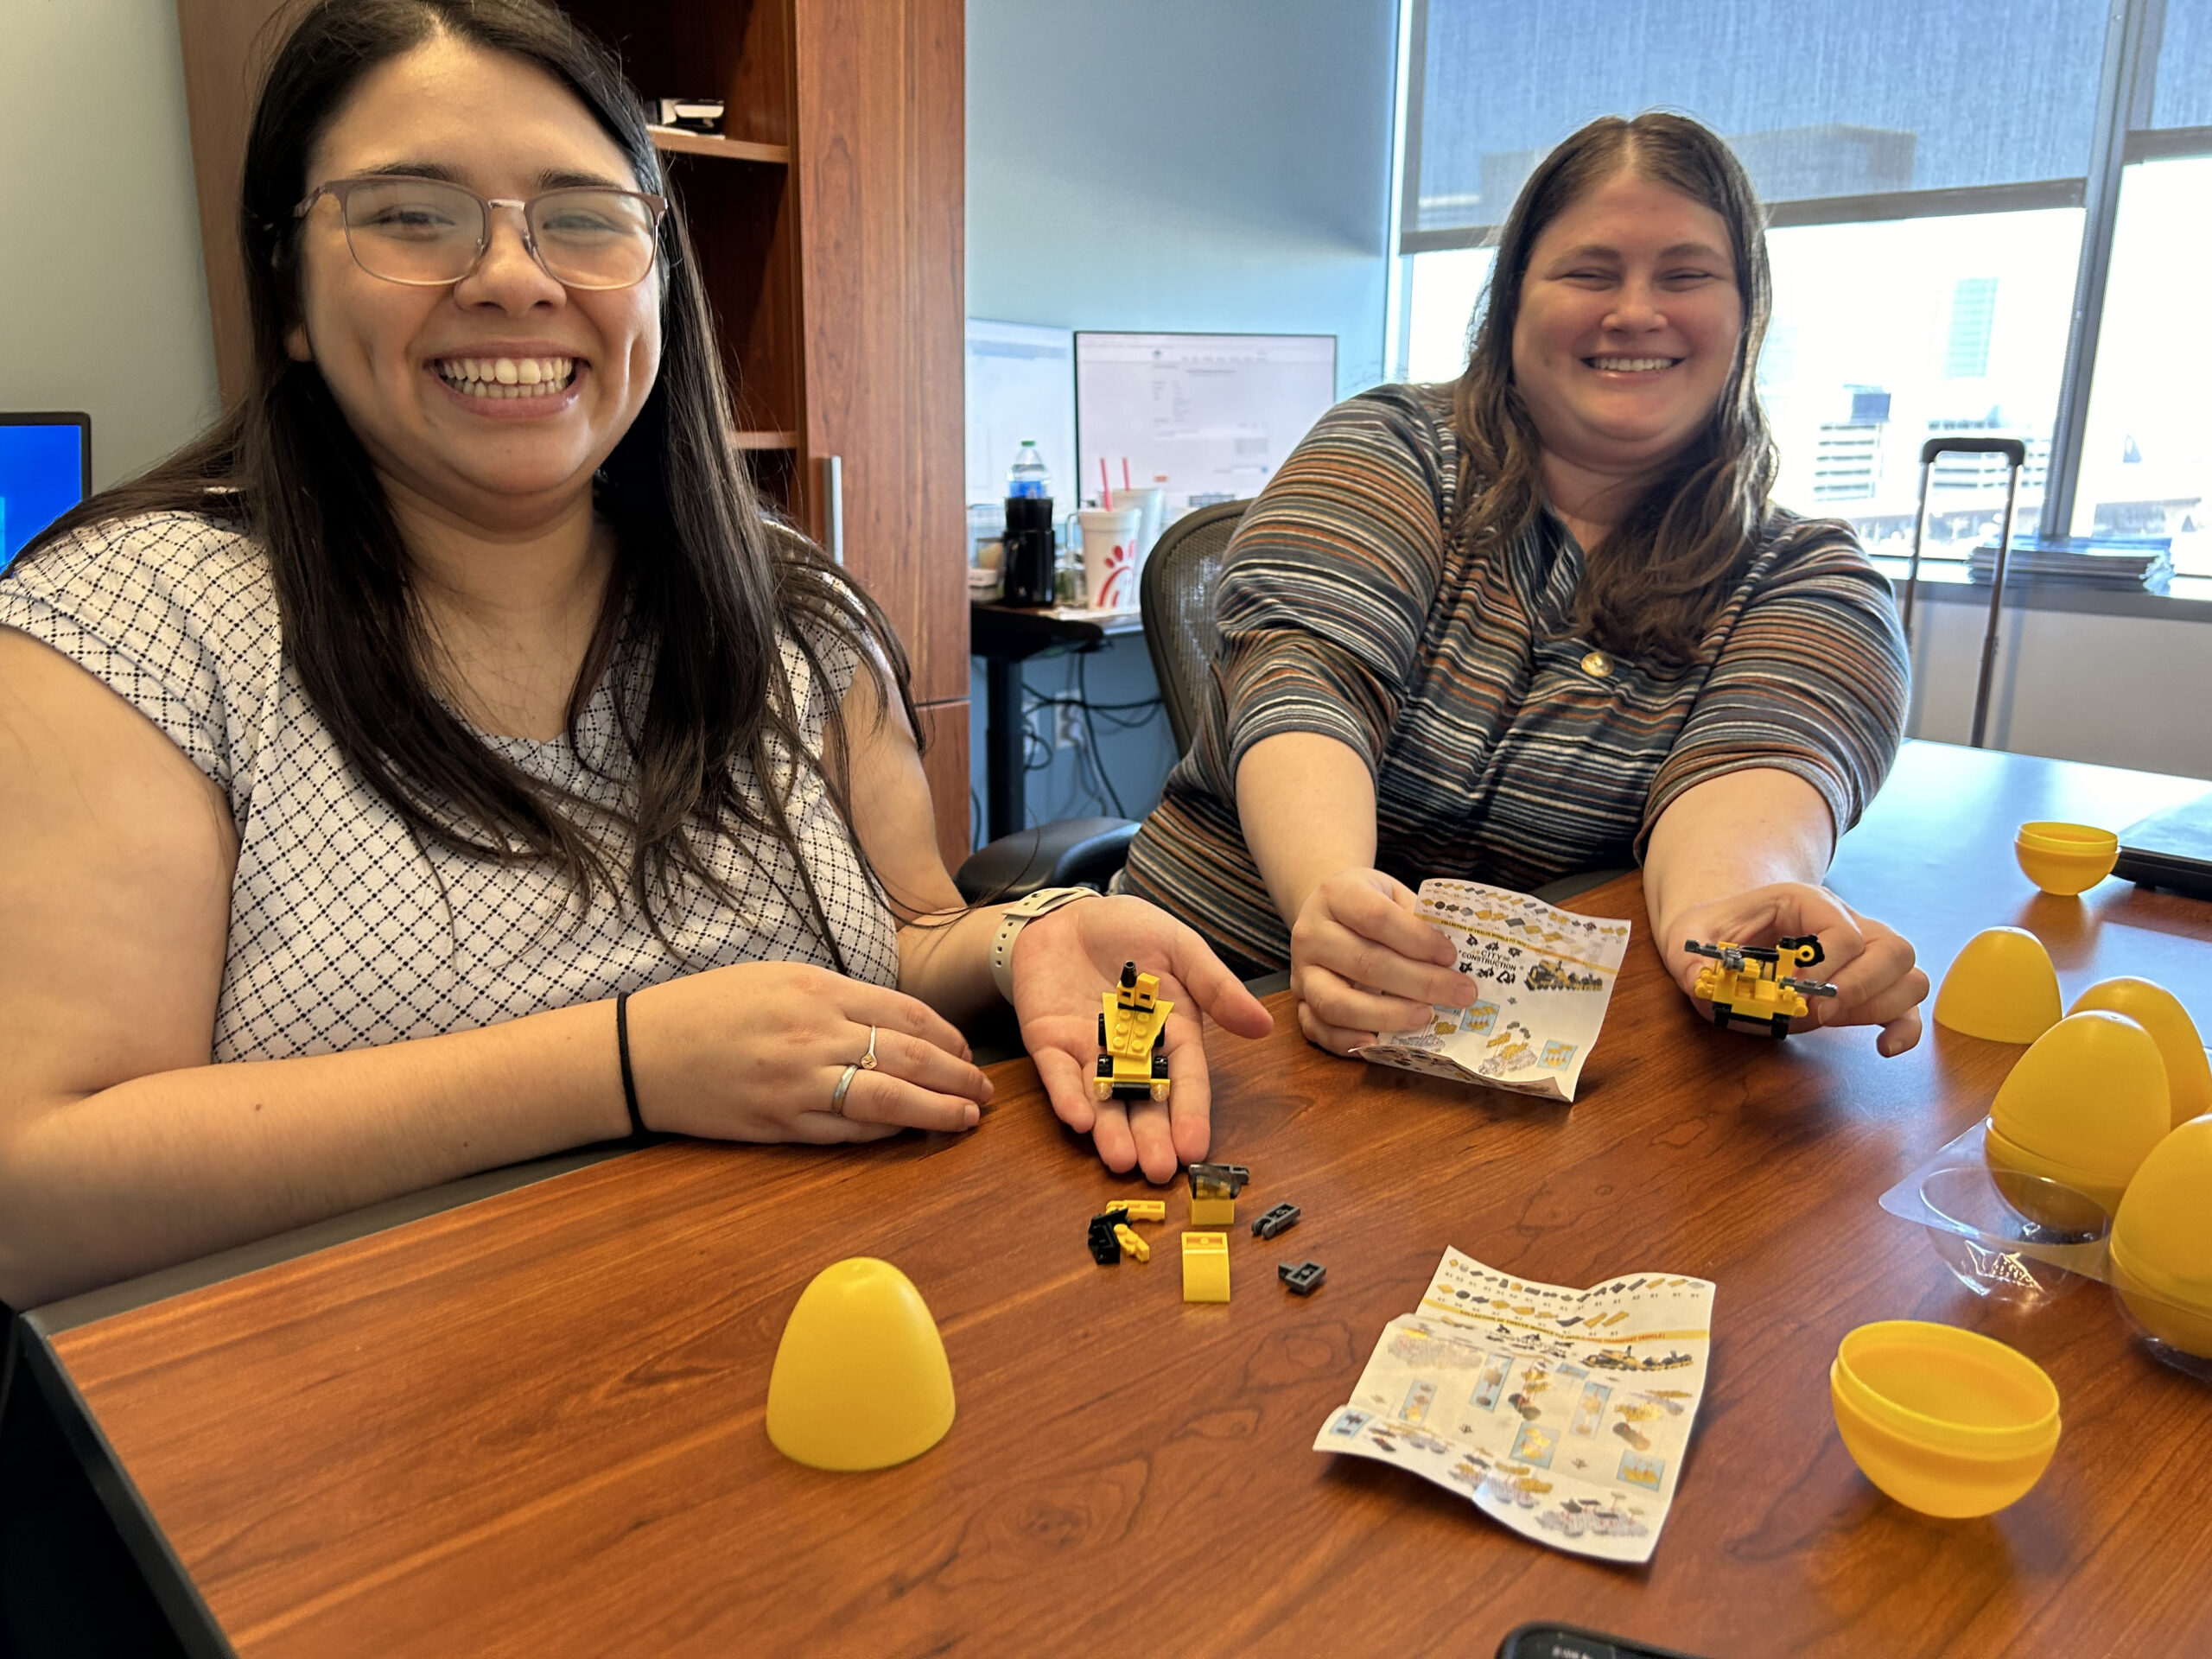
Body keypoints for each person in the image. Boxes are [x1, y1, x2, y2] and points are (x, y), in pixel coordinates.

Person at [0, 0, 1271, 1319]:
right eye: (413, 214)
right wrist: (622, 1062)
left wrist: (1030, 941)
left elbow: (894, 942)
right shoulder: (132, 625)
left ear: (657, 278)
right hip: (353, 1437)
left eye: (582, 217)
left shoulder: (787, 614)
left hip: (781, 1354)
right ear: (292, 296)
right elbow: (33, 1198)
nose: (511, 277)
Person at [1119, 112, 1929, 1059]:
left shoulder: (1809, 583)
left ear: (1746, 312)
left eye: (1686, 274)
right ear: (1512, 304)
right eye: (1589, 272)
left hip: (1506, 1063)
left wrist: (1731, 935)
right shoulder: (1389, 447)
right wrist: (1330, 897)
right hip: (1203, 996)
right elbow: (1309, 685)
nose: (1634, 312)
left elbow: (1738, 799)